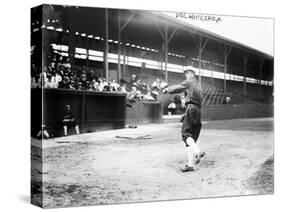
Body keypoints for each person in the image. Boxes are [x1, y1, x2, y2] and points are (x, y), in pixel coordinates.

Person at [164, 66, 205, 172]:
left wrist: (167, 90)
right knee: (191, 139)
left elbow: (178, 87)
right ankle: (190, 165)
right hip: (198, 111)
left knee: (185, 135)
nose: (185, 75)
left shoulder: (190, 82)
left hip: (191, 109)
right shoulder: (198, 85)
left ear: (192, 73)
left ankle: (198, 152)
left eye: (187, 73)